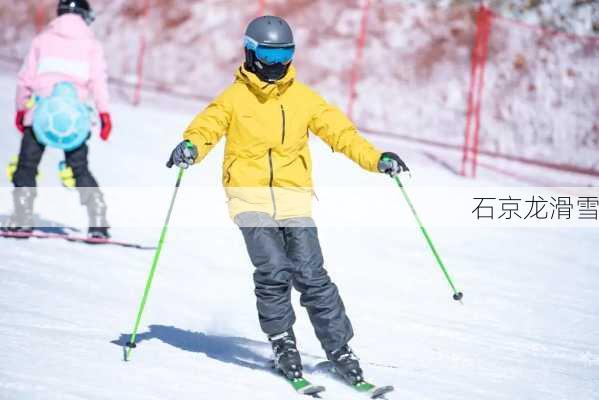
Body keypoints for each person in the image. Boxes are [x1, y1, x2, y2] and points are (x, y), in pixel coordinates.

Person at [167, 16, 409, 384]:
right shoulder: (233, 99)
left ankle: (339, 348)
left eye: (285, 54)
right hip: (248, 197)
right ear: (251, 53)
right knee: (274, 271)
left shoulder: (303, 99)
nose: (278, 64)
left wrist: (376, 159)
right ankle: (282, 342)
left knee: (312, 275)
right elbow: (207, 126)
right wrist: (190, 147)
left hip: (293, 198)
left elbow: (341, 133)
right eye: (269, 54)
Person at [4, 0, 112, 239]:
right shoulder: (91, 45)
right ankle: (98, 221)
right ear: (84, 15)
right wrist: (104, 114)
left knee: (26, 166)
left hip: (41, 115)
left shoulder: (42, 40)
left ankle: (22, 218)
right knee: (79, 168)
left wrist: (21, 109)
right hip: (75, 119)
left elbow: (25, 80)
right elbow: (99, 82)